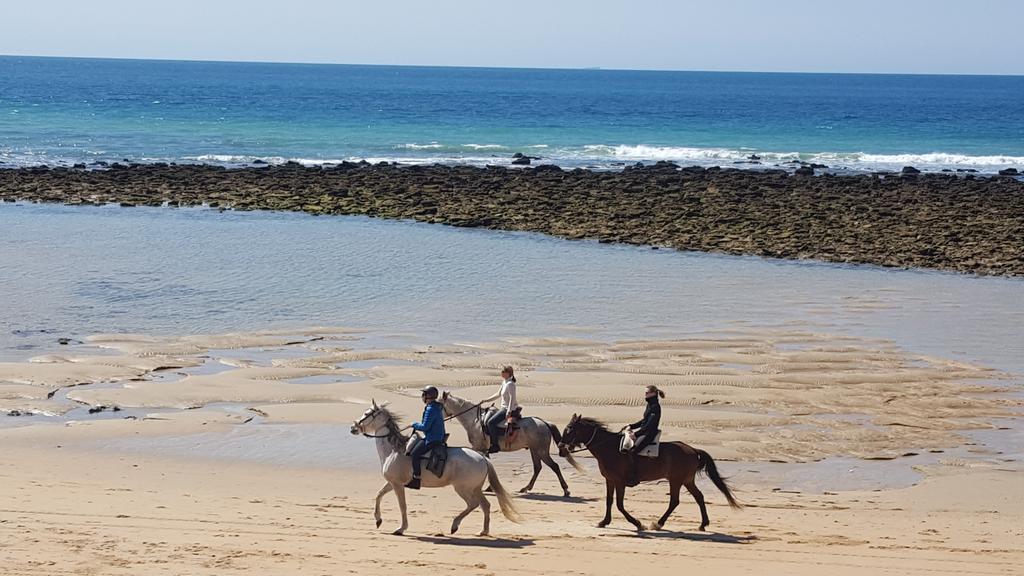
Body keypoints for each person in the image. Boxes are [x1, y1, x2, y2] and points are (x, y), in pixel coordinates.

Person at [406, 385, 445, 490]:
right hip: (438, 436)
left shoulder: (431, 409)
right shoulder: (436, 407)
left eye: (423, 394)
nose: (422, 397)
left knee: (415, 454)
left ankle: (416, 478)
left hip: (433, 438)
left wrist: (414, 424)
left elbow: (425, 427)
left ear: (427, 396)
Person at [626, 385, 664, 487]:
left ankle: (635, 477)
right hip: (644, 431)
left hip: (649, 434)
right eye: (645, 393)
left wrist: (636, 434)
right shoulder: (650, 405)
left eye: (647, 393)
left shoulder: (655, 407)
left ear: (653, 393)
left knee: (633, 452)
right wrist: (632, 426)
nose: (645, 394)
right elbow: (644, 421)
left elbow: (649, 425)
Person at [481, 366, 517, 454]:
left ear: (508, 373)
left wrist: (509, 411)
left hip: (507, 409)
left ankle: (495, 445)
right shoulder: (504, 382)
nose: (501, 373)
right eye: (502, 372)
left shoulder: (511, 384)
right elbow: (498, 394)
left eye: (503, 372)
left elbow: (512, 398)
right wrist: (487, 400)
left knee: (490, 423)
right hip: (503, 407)